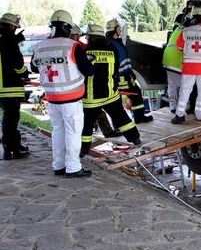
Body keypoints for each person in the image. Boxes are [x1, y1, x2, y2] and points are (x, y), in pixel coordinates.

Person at [32, 10, 95, 178]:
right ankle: (73, 167)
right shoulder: (72, 46)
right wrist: (90, 62)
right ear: (67, 27)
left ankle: (58, 165)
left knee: (58, 131)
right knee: (73, 133)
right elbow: (89, 71)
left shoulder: (39, 46)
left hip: (51, 98)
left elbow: (33, 67)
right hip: (71, 99)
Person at [80, 24, 141, 156]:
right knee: (122, 119)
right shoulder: (112, 51)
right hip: (110, 95)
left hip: (91, 98)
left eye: (88, 36)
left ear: (92, 37)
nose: (86, 38)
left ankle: (83, 151)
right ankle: (135, 138)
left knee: (87, 126)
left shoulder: (86, 53)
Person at [105, 18, 153, 123]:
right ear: (115, 29)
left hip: (125, 75)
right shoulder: (111, 44)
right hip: (120, 78)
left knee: (135, 94)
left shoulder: (115, 42)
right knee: (131, 96)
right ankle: (137, 118)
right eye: (119, 28)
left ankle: (138, 118)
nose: (120, 30)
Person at [0, 13, 30, 160]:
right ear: (11, 26)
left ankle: (10, 147)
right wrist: (25, 74)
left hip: (1, 89)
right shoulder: (10, 40)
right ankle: (12, 150)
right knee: (11, 120)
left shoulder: (4, 39)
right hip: (11, 87)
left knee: (7, 119)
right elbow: (18, 64)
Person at [162, 12, 187, 113]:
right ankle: (184, 108)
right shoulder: (186, 31)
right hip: (177, 61)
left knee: (172, 85)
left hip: (168, 61)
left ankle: (172, 106)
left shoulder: (176, 30)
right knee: (183, 86)